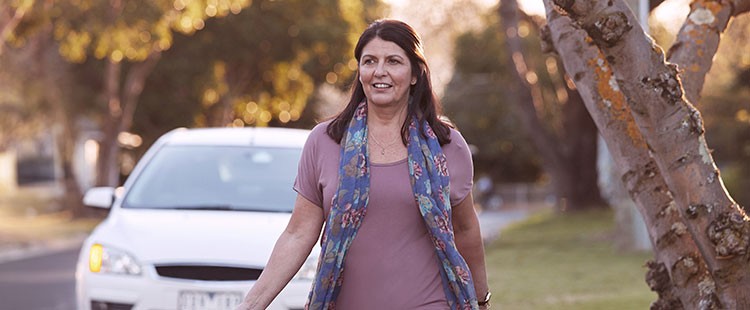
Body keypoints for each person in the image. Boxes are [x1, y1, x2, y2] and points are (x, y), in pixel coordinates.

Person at [237, 19, 490, 310]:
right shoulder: (325, 141)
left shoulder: (448, 146)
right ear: (360, 72)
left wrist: (481, 300)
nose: (379, 71)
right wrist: (251, 305)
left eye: (393, 61)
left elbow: (466, 230)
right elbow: (298, 233)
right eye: (370, 61)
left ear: (414, 75)